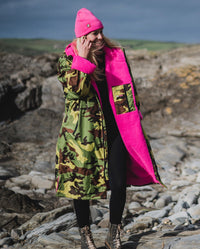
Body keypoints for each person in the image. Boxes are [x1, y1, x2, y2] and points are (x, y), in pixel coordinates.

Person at [55, 8, 162, 249]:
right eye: (94, 33)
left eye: (101, 31)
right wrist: (81, 60)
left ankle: (114, 234)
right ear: (82, 37)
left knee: (119, 182)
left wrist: (134, 117)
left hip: (116, 130)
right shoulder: (67, 59)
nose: (100, 37)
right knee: (80, 187)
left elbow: (128, 90)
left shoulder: (116, 56)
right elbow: (75, 92)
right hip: (81, 133)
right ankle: (86, 237)